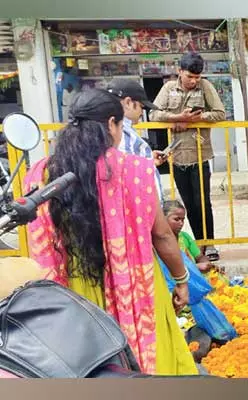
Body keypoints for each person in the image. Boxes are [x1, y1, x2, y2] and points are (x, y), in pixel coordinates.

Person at [23, 89, 198, 376]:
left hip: (73, 286)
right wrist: (181, 280)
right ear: (111, 125)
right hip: (135, 283)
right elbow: (163, 235)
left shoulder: (43, 172)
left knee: (87, 365)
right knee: (151, 362)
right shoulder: (134, 170)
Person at [150, 51, 226, 262]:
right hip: (177, 155)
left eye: (197, 77)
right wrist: (176, 117)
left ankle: (209, 244)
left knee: (203, 202)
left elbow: (220, 113)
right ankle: (198, 247)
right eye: (189, 76)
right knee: (189, 204)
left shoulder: (205, 87)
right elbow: (154, 114)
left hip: (200, 154)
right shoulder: (168, 89)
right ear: (179, 72)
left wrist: (195, 120)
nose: (193, 81)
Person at [106, 78, 165, 201]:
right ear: (128, 103)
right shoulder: (123, 134)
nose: (141, 113)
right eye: (141, 107)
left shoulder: (109, 130)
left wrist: (147, 160)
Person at [163, 199, 215, 273]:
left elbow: (199, 257)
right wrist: (195, 267)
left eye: (182, 220)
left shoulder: (185, 237)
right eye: (176, 219)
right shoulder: (160, 242)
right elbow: (167, 268)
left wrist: (206, 263)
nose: (181, 223)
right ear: (163, 218)